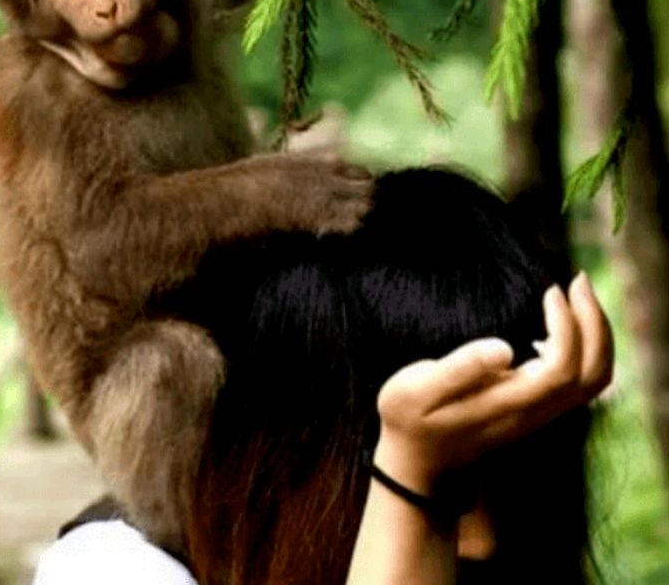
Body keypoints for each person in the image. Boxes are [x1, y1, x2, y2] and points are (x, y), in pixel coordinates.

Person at [32, 168, 613, 585]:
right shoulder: (112, 569)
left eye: (507, 467)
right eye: (454, 485)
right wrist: (411, 484)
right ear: (290, 453)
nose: (482, 541)